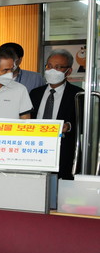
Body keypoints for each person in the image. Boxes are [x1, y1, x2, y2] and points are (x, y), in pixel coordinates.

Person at [30, 49, 83, 179]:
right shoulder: (35, 93)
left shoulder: (78, 94)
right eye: (49, 66)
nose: (52, 70)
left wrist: (69, 126)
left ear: (68, 71)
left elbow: (84, 122)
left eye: (58, 67)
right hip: (35, 149)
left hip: (63, 152)